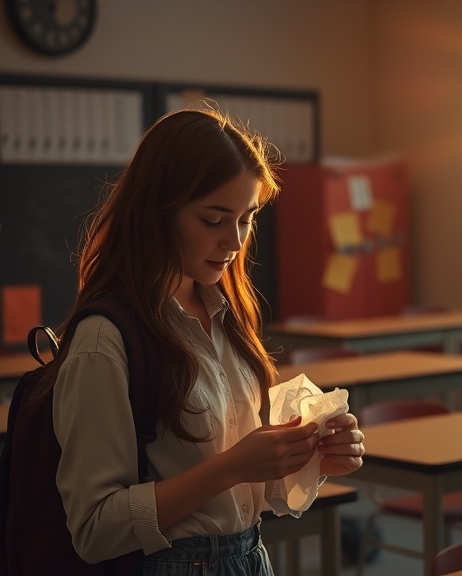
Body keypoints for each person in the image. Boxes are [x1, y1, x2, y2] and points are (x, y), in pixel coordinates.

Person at [37, 107, 365, 575]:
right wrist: (232, 466)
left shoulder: (223, 313)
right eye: (213, 220)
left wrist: (306, 455)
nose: (233, 242)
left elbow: (240, 494)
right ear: (158, 213)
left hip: (247, 557)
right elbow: (94, 529)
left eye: (247, 219)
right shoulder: (104, 341)